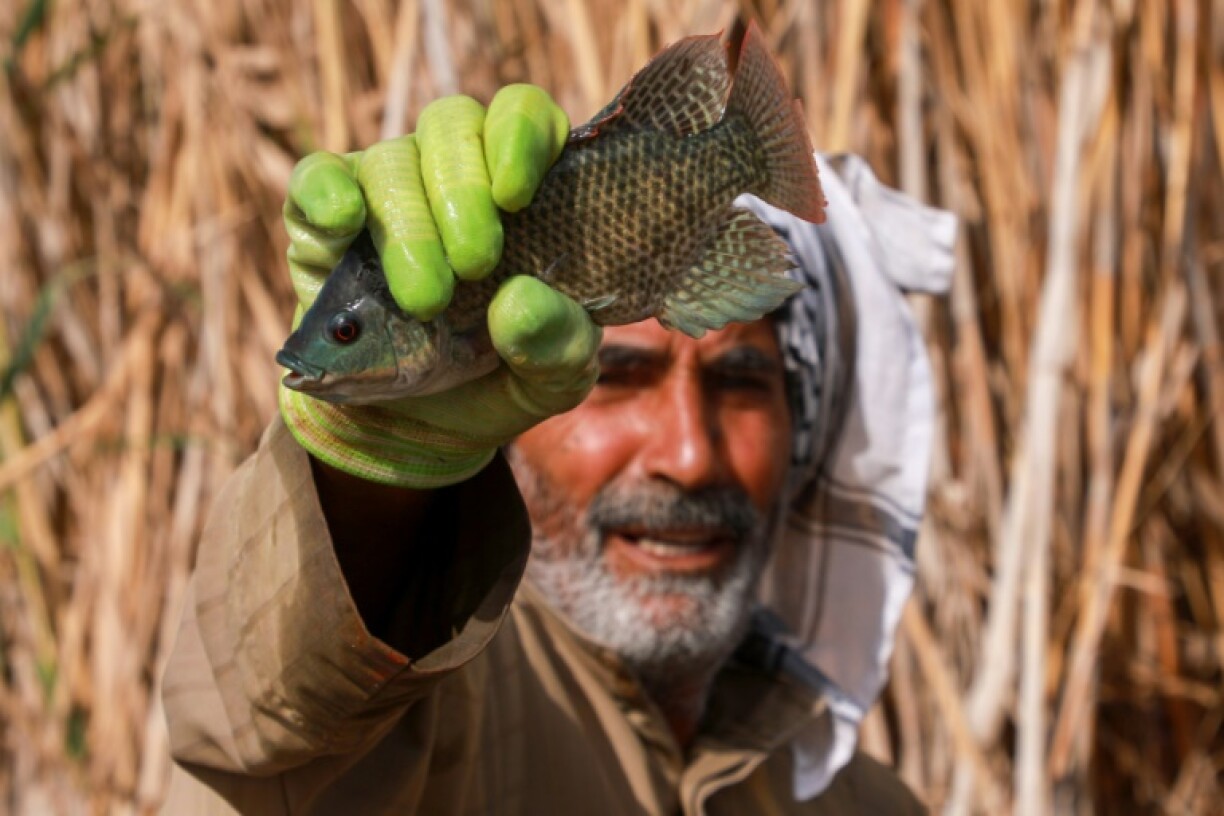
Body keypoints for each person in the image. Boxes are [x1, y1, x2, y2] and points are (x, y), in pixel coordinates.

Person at [160, 71, 955, 814]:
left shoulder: (872, 802)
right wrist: (371, 478)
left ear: (806, 427)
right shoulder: (432, 697)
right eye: (617, 375)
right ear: (510, 399)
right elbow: (276, 728)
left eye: (743, 383)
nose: (686, 456)